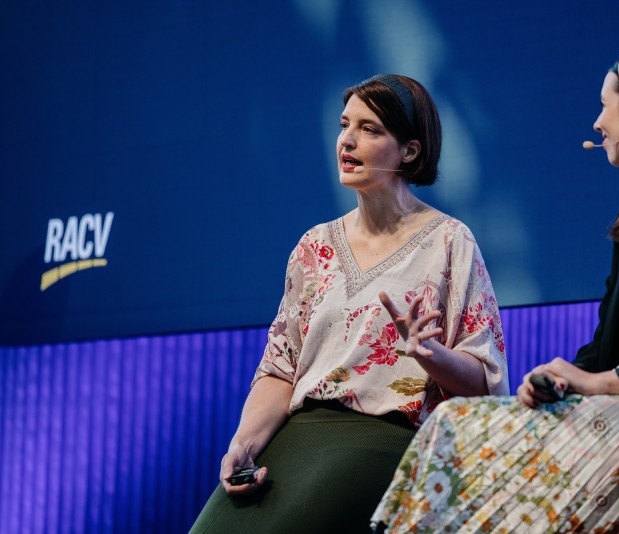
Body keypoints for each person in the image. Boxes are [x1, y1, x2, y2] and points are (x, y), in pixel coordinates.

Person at [371, 49, 619, 533]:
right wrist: (559, 378)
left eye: (608, 105)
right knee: (452, 422)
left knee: (466, 434)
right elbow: (606, 347)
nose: (597, 121)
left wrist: (599, 383)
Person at [190, 74, 508, 533]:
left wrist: (429, 355)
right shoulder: (313, 245)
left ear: (410, 151)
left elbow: (488, 385)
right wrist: (243, 443)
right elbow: (281, 370)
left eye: (370, 129)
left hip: (385, 438)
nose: (347, 140)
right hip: (297, 436)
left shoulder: (449, 241)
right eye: (345, 125)